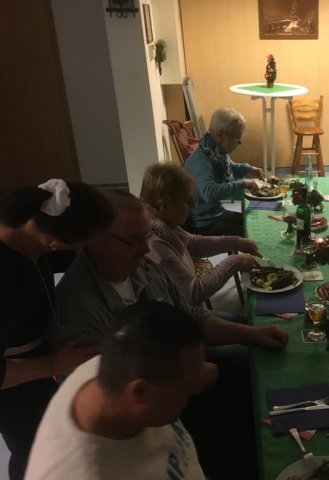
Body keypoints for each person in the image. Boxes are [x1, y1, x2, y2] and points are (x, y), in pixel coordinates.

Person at [52, 189, 287, 478]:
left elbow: (194, 318)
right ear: (96, 239)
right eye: (133, 240)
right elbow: (114, 401)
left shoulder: (141, 265)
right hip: (154, 411)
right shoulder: (79, 310)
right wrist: (187, 377)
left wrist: (253, 334)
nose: (145, 248)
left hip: (178, 371)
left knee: (258, 358)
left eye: (146, 236)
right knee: (243, 390)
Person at [0, 179, 113, 480]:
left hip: (35, 361)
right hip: (13, 385)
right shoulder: (7, 275)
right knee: (37, 451)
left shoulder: (31, 226)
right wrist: (51, 364)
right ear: (54, 242)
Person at [25, 300, 213, 479]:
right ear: (140, 393)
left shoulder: (113, 367)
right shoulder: (83, 473)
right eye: (187, 386)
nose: (196, 388)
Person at [140, 163, 258, 307]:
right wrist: (235, 261)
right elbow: (193, 292)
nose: (194, 206)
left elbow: (194, 244)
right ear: (165, 206)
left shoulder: (165, 226)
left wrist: (236, 242)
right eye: (187, 201)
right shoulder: (156, 245)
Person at [184, 107, 265, 236]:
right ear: (221, 136)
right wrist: (242, 184)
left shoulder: (215, 150)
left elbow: (230, 167)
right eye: (237, 138)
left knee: (256, 219)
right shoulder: (202, 160)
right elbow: (210, 193)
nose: (240, 143)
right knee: (254, 234)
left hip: (217, 212)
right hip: (205, 224)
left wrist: (249, 169)